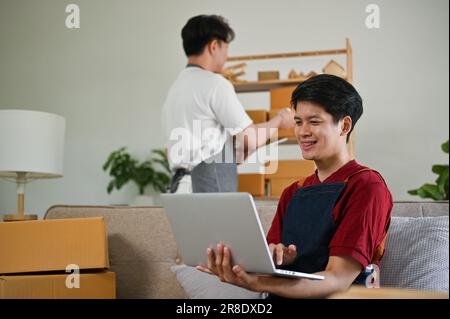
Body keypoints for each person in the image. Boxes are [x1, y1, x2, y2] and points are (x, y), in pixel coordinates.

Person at [197, 74, 393, 298]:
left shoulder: (367, 186)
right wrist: (272, 262)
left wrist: (258, 283)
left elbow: (337, 280)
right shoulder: (293, 192)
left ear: (344, 125)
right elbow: (269, 266)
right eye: (298, 122)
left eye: (314, 121)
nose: (302, 132)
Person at [162, 15, 294, 193]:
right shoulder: (215, 84)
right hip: (209, 187)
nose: (227, 56)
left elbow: (196, 143)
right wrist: (279, 120)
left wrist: (234, 152)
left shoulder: (175, 89)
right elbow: (251, 138)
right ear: (214, 46)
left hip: (178, 188)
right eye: (226, 48)